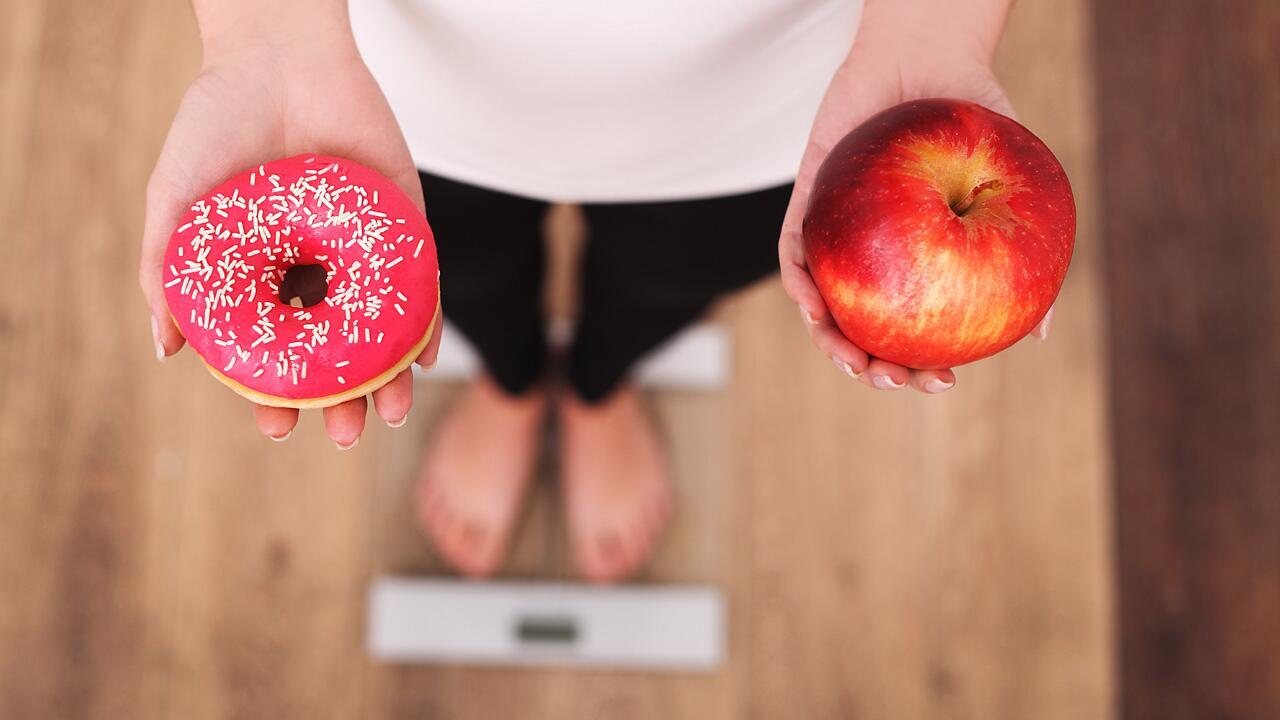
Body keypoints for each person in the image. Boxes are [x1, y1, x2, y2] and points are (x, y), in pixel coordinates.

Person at [140, 0, 1050, 582]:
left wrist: (933, 26)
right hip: (375, 72)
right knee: (462, 272)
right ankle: (510, 377)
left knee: (671, 274)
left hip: (788, 91)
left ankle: (597, 385)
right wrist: (264, 32)